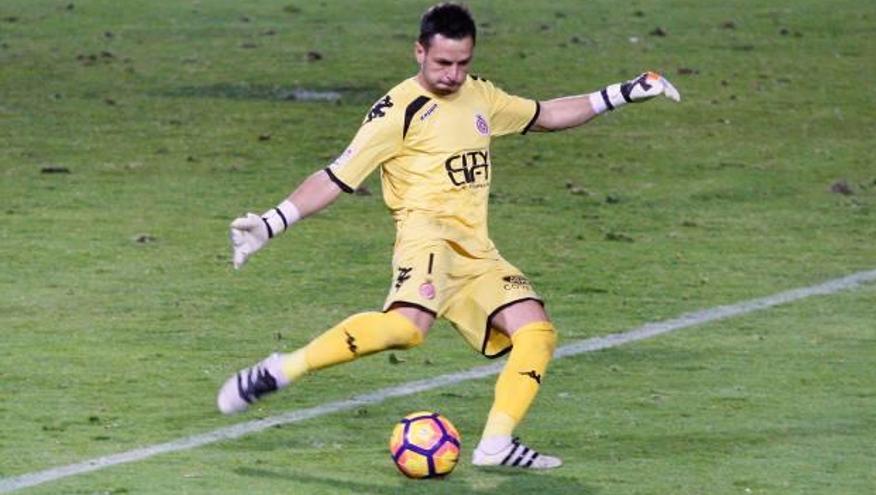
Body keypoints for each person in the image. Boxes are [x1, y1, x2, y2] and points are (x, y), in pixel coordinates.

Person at [217, 2, 679, 470]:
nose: (453, 74)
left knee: (537, 333)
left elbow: (547, 114)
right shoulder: (397, 111)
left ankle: (496, 445)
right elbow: (335, 176)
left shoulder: (480, 96)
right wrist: (272, 223)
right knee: (406, 330)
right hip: (427, 239)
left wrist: (622, 93)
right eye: (442, 63)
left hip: (476, 251)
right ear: (419, 51)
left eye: (463, 63)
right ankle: (280, 369)